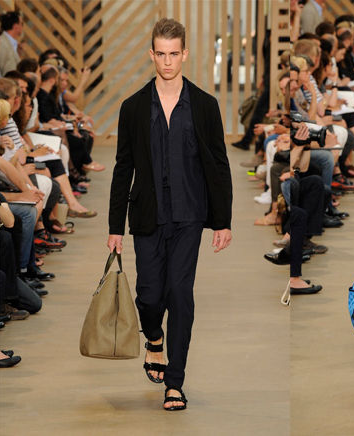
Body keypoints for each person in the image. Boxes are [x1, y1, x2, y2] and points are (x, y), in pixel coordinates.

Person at [107, 18, 232, 411]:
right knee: (148, 296)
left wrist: (223, 220)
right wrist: (114, 227)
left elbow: (218, 164)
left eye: (173, 54)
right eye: (160, 54)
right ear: (151, 54)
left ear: (184, 54)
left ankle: (175, 382)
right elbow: (123, 168)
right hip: (147, 214)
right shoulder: (132, 108)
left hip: (189, 214)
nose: (166, 61)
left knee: (179, 293)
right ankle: (154, 338)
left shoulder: (205, 106)